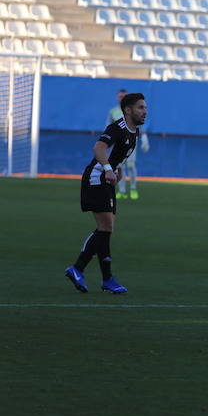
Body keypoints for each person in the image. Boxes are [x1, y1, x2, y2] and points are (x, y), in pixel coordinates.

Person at [65, 92, 148, 294]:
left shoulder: (134, 131)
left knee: (106, 228)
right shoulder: (117, 128)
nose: (145, 112)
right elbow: (99, 147)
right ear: (128, 110)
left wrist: (117, 169)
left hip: (107, 179)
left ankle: (105, 278)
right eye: (140, 107)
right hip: (96, 177)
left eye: (145, 108)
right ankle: (79, 269)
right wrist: (108, 169)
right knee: (106, 226)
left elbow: (118, 155)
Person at [107, 89, 150, 200]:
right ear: (117, 97)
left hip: (131, 142)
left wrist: (144, 137)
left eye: (124, 96)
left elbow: (140, 124)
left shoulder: (132, 110)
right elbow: (108, 127)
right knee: (119, 167)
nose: (122, 98)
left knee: (131, 166)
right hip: (118, 145)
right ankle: (122, 191)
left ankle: (133, 189)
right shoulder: (113, 111)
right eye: (120, 96)